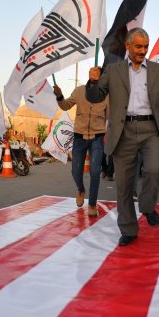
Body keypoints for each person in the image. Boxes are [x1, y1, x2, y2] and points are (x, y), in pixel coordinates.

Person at [86, 28, 159, 246]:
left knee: (153, 170)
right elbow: (96, 96)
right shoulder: (113, 71)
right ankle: (128, 229)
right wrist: (93, 82)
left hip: (151, 129)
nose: (143, 51)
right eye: (138, 47)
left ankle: (147, 207)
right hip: (123, 131)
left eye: (146, 46)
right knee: (124, 185)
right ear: (128, 46)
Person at [53, 84, 109, 217]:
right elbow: (65, 106)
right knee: (75, 171)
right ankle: (80, 190)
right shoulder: (79, 91)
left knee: (95, 171)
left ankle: (92, 204)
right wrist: (59, 96)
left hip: (97, 137)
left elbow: (110, 116)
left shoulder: (106, 95)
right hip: (79, 137)